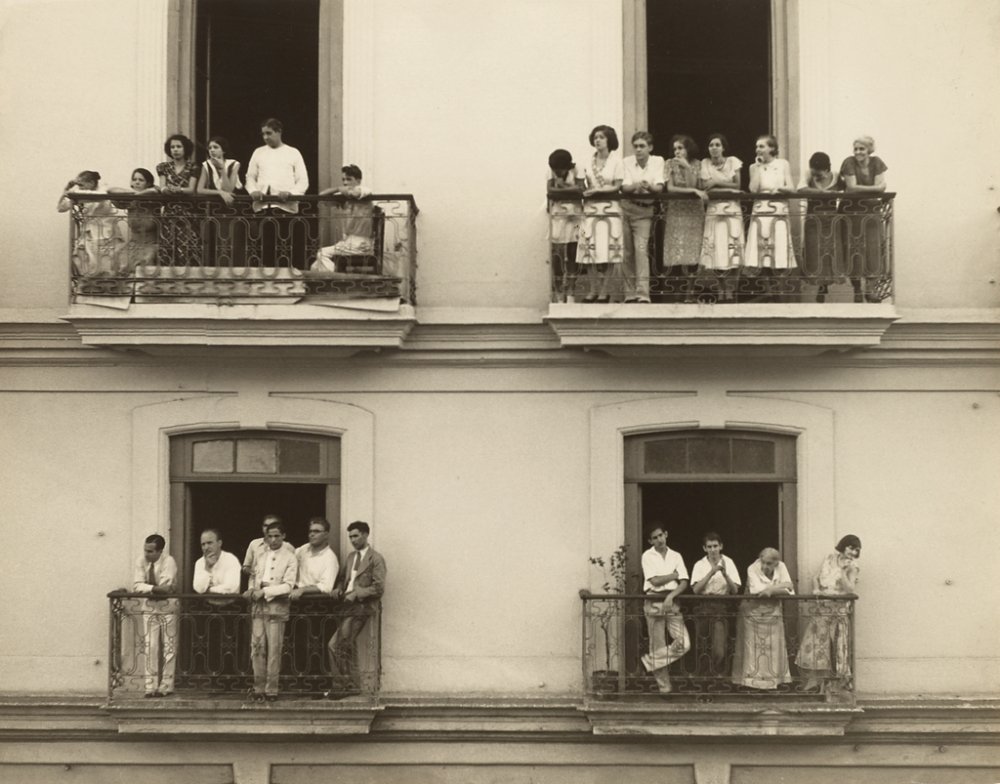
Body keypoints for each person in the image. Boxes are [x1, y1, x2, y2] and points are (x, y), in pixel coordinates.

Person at [321, 521, 386, 699]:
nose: (352, 540)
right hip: (346, 606)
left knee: (335, 645)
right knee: (347, 645)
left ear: (365, 535)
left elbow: (379, 588)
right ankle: (353, 684)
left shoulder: (376, 559)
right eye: (350, 536)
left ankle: (341, 685)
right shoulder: (351, 557)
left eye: (356, 536)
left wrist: (357, 594)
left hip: (361, 607)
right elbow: (344, 578)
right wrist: (339, 588)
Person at [797, 535, 861, 693]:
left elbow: (850, 590)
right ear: (843, 546)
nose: (853, 553)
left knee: (835, 648)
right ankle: (814, 682)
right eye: (851, 548)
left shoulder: (853, 566)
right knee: (815, 645)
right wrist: (816, 589)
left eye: (857, 550)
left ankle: (833, 686)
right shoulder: (829, 558)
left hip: (838, 611)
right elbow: (815, 577)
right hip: (822, 608)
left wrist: (844, 572)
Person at [244, 519, 297, 702]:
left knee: (274, 648)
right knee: (257, 647)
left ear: (283, 536)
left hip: (276, 605)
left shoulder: (290, 557)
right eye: (270, 536)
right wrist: (251, 589)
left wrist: (265, 592)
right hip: (258, 606)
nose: (273, 540)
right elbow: (253, 575)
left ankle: (271, 689)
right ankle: (258, 687)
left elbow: (288, 586)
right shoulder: (260, 555)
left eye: (277, 536)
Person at [245, 118, 310, 268]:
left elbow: (303, 181)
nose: (266, 137)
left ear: (279, 132)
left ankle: (290, 283)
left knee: (287, 248)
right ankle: (267, 283)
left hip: (285, 209)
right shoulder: (258, 152)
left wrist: (291, 192)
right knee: (265, 249)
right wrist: (253, 190)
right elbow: (250, 177)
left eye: (269, 133)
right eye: (263, 134)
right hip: (263, 208)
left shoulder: (293, 153)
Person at [743, 134, 797, 301]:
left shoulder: (782, 164)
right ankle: (769, 292)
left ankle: (780, 293)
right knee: (762, 251)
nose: (758, 149)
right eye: (757, 146)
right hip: (761, 211)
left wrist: (780, 189)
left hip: (778, 209)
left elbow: (792, 188)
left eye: (762, 146)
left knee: (778, 250)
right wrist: (759, 167)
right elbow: (753, 189)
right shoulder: (754, 167)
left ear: (772, 148)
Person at [731, 547, 795, 690]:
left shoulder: (782, 567)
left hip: (773, 613)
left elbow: (790, 590)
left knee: (774, 648)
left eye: (769, 564)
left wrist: (771, 589)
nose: (765, 566)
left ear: (776, 563)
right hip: (752, 613)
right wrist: (781, 586)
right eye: (763, 562)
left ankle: (774, 683)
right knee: (753, 650)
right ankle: (751, 684)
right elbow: (757, 591)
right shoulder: (752, 568)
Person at [639, 525, 690, 695]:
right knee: (658, 643)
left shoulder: (676, 555)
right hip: (653, 600)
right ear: (650, 541)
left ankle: (650, 661)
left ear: (666, 534)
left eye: (661, 535)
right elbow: (654, 581)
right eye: (654, 537)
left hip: (671, 601)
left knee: (684, 642)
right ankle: (664, 687)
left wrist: (670, 596)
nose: (659, 539)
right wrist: (673, 575)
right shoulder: (647, 555)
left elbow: (684, 581)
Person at [839, 135, 889, 302]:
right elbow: (851, 188)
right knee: (854, 250)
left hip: (872, 212)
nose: (858, 152)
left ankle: (870, 289)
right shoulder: (849, 162)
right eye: (856, 149)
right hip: (851, 212)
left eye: (862, 149)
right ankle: (857, 290)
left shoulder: (877, 162)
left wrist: (870, 189)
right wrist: (875, 189)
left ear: (869, 150)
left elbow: (882, 187)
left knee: (873, 249)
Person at [579, 124, 624, 303]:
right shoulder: (588, 162)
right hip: (591, 209)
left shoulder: (616, 161)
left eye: (602, 137)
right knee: (590, 250)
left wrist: (598, 191)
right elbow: (584, 184)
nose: (598, 140)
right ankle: (593, 289)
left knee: (609, 251)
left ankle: (605, 291)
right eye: (596, 137)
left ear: (609, 140)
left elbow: (617, 185)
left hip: (610, 208)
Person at [698, 133, 744, 300]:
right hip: (714, 211)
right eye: (711, 145)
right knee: (717, 252)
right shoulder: (705, 163)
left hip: (732, 211)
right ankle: (721, 288)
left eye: (717, 145)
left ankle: (731, 289)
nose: (714, 148)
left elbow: (738, 184)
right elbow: (706, 189)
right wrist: (730, 190)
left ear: (723, 147)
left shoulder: (733, 161)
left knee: (733, 250)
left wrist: (717, 183)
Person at [131, 534, 177, 698]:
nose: (146, 554)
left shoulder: (168, 561)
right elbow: (137, 585)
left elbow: (166, 585)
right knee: (151, 645)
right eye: (145, 550)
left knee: (168, 646)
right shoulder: (140, 561)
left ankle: (166, 685)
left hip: (167, 607)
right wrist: (154, 589)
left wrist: (148, 587)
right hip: (149, 606)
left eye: (150, 551)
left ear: (160, 551)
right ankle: (150, 687)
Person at [620, 131, 664, 303]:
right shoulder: (627, 162)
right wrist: (638, 185)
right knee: (627, 252)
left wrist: (649, 187)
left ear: (650, 148)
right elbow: (625, 187)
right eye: (636, 146)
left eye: (642, 146)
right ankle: (629, 294)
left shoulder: (657, 161)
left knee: (641, 250)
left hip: (644, 211)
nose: (638, 150)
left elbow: (659, 187)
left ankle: (642, 294)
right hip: (627, 208)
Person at [690, 531, 742, 676]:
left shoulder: (729, 562)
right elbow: (695, 590)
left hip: (720, 607)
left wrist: (725, 574)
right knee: (703, 648)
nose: (713, 550)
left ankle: (708, 677)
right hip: (703, 607)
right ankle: (706, 682)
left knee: (719, 649)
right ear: (704, 549)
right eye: (709, 547)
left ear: (721, 546)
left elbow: (735, 590)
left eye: (715, 546)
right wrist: (711, 573)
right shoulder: (699, 565)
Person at [663, 135, 708, 302]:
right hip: (676, 211)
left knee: (692, 252)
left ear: (688, 149)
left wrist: (687, 167)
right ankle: (677, 292)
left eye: (680, 148)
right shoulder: (669, 164)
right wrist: (693, 192)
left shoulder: (697, 164)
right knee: (676, 251)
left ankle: (690, 292)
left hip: (694, 213)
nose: (677, 152)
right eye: (675, 149)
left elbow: (694, 184)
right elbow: (671, 188)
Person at [311, 164, 376, 273]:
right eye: (343, 180)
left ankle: (333, 278)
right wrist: (337, 189)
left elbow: (355, 192)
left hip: (360, 243)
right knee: (316, 265)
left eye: (349, 179)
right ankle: (325, 279)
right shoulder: (346, 199)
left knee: (322, 253)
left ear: (358, 180)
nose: (345, 183)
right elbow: (321, 196)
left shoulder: (365, 191)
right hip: (348, 242)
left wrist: (341, 190)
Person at [799, 152, 845, 302]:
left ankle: (824, 286)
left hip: (831, 219)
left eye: (818, 172)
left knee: (830, 251)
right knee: (814, 251)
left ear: (826, 170)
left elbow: (848, 189)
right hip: (813, 219)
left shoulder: (837, 175)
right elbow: (801, 189)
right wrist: (821, 192)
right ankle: (818, 283)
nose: (815, 174)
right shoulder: (808, 174)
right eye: (813, 170)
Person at [57, 170, 121, 277]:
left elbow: (97, 196)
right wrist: (66, 189)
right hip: (89, 233)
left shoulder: (104, 189)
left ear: (91, 183)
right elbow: (61, 208)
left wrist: (75, 195)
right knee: (86, 262)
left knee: (104, 263)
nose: (80, 188)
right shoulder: (80, 193)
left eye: (82, 185)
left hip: (105, 232)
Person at [155, 134, 200, 266]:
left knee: (187, 247)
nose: (175, 149)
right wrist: (166, 190)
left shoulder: (193, 167)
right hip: (169, 214)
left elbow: (191, 189)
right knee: (168, 246)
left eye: (179, 147)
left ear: (185, 148)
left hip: (188, 214)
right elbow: (163, 187)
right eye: (172, 147)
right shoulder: (163, 167)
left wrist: (177, 190)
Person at [546, 149, 584, 302]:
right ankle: (559, 291)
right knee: (557, 255)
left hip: (574, 216)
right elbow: (550, 190)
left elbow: (581, 190)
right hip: (558, 215)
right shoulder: (551, 169)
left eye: (560, 170)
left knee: (573, 253)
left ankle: (571, 292)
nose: (557, 172)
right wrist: (569, 190)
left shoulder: (577, 169)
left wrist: (561, 188)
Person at [108, 168, 160, 272]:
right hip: (133, 244)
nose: (137, 182)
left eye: (141, 180)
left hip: (151, 244)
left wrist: (137, 194)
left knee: (146, 261)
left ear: (148, 183)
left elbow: (155, 190)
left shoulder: (153, 199)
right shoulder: (130, 200)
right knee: (116, 255)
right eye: (134, 179)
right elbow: (110, 190)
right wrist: (133, 193)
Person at [290, 517, 339, 599]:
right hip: (292, 597)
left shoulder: (330, 558)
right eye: (310, 531)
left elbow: (326, 587)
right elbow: (288, 560)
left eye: (316, 531)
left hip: (313, 603)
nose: (312, 534)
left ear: (326, 534)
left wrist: (302, 590)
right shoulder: (303, 549)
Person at [243, 514, 296, 580]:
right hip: (256, 586)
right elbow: (246, 566)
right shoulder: (254, 544)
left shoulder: (288, 547)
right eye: (265, 525)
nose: (268, 528)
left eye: (272, 525)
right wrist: (252, 572)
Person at [192, 528, 242, 596]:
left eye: (209, 543)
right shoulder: (199, 562)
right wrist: (208, 568)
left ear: (219, 543)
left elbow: (231, 588)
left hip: (229, 604)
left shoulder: (231, 559)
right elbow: (199, 588)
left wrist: (209, 590)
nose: (206, 547)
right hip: (206, 604)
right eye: (203, 544)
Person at [197, 136, 242, 206]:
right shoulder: (206, 165)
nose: (212, 150)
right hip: (214, 205)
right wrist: (220, 192)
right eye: (210, 148)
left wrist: (222, 169)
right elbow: (199, 189)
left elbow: (229, 190)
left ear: (223, 150)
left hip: (233, 204)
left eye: (215, 147)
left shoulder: (234, 164)